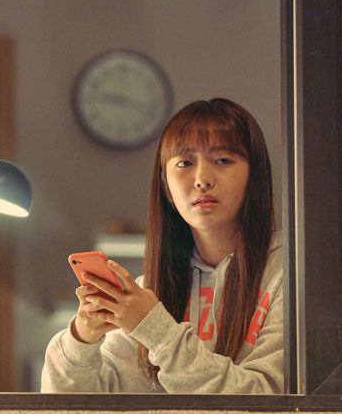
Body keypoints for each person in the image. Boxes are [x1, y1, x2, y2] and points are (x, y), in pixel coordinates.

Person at [41, 98, 283, 394]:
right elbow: (71, 409)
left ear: (254, 174)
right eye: (185, 163)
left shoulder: (289, 276)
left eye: (223, 160)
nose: (202, 179)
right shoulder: (150, 292)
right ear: (166, 185)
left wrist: (155, 329)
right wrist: (82, 337)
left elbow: (268, 401)